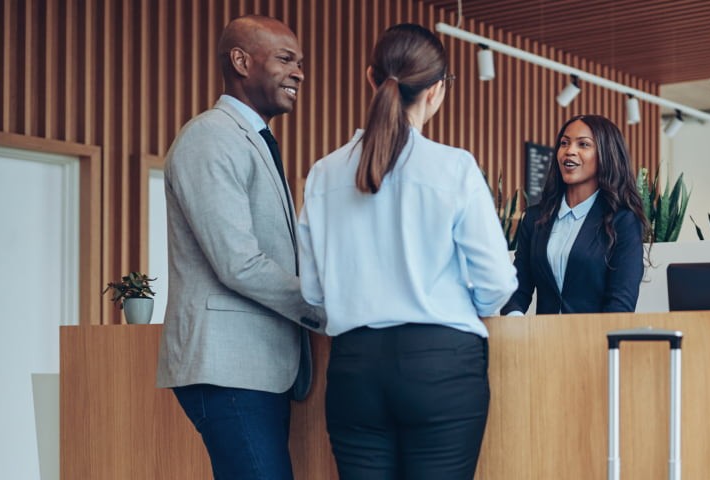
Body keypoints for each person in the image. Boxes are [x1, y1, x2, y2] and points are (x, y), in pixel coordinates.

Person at [296, 23, 517, 479]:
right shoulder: (453, 167)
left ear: (370, 78)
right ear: (437, 91)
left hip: (354, 369)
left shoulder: (323, 174)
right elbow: (497, 283)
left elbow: (313, 294)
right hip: (442, 365)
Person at [157, 15, 324, 480]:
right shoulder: (210, 136)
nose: (299, 73)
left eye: (300, 62)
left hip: (256, 369)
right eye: (286, 59)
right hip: (228, 369)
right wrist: (325, 307)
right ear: (241, 61)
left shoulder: (251, 139)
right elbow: (238, 263)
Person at [501, 114, 649, 315]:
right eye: (564, 143)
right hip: (540, 341)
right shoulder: (535, 218)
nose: (570, 151)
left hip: (594, 341)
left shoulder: (623, 221)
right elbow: (518, 289)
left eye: (583, 145)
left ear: (606, 154)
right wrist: (515, 320)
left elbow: (620, 303)